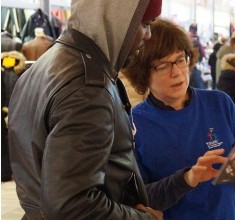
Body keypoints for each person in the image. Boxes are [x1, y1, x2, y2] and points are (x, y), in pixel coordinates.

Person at [8, 0, 164, 219]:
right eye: (145, 24)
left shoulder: (45, 66)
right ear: (118, 19)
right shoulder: (88, 87)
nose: (147, 35)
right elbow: (72, 205)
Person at [122, 18, 235, 220]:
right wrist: (188, 178)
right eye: (162, 65)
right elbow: (141, 199)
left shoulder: (220, 103)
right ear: (143, 73)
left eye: (180, 59)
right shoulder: (135, 123)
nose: (177, 72)